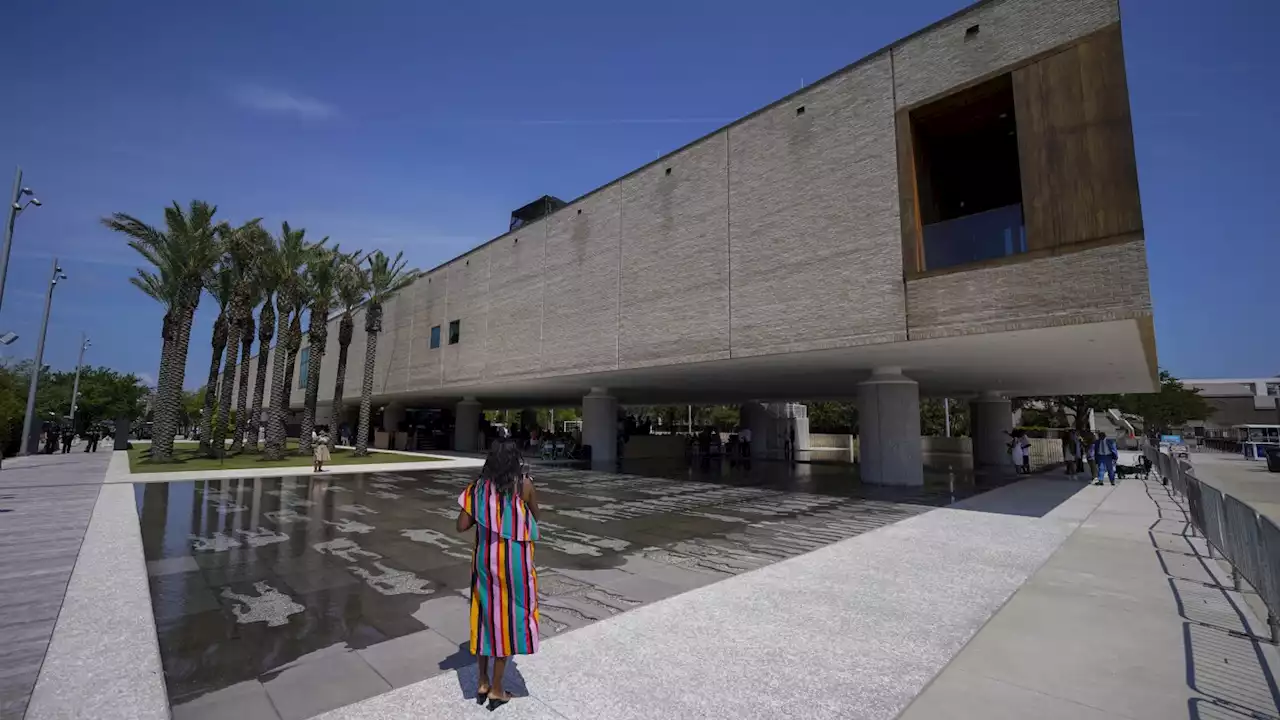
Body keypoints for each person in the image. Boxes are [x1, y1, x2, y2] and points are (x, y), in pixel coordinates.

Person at [455, 439, 540, 709]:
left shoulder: (477, 489)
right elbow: (536, 517)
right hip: (516, 561)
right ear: (516, 459)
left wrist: (484, 512)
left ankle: (481, 680)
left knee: (484, 616)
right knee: (509, 618)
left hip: (485, 560)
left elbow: (461, 526)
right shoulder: (524, 485)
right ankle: (498, 688)